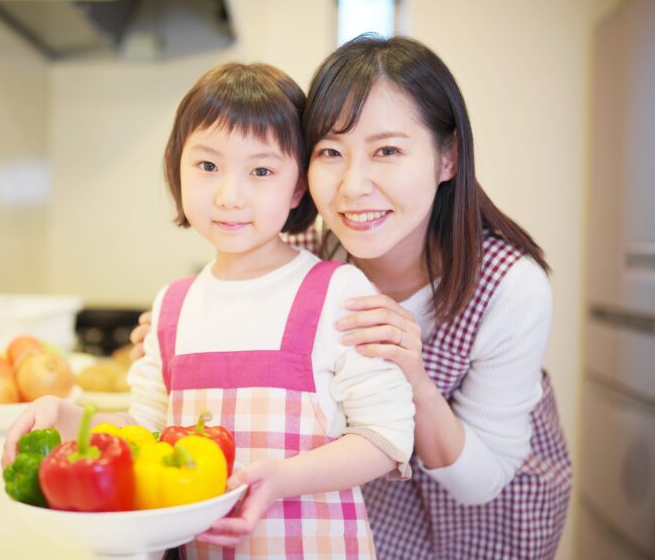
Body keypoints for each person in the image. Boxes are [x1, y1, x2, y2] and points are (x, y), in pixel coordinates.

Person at [131, 35, 572, 559]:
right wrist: (176, 332)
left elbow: (480, 482)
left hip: (482, 514)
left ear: (447, 157)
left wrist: (414, 376)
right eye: (331, 153)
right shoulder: (303, 251)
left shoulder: (508, 286)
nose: (353, 186)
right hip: (351, 507)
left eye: (387, 151)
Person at [2, 62, 415, 559]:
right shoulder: (172, 305)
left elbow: (387, 436)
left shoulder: (335, 291)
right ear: (176, 167)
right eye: (207, 166)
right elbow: (146, 429)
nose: (228, 196)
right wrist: (68, 416)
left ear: (298, 187)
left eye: (261, 171)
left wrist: (282, 478)